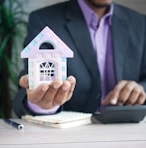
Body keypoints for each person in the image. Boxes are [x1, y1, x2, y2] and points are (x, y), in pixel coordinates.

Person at [13, 0, 146, 118]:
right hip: (70, 135)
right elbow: (29, 84)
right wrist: (42, 104)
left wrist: (141, 89)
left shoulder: (140, 23)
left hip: (128, 130)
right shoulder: (44, 20)